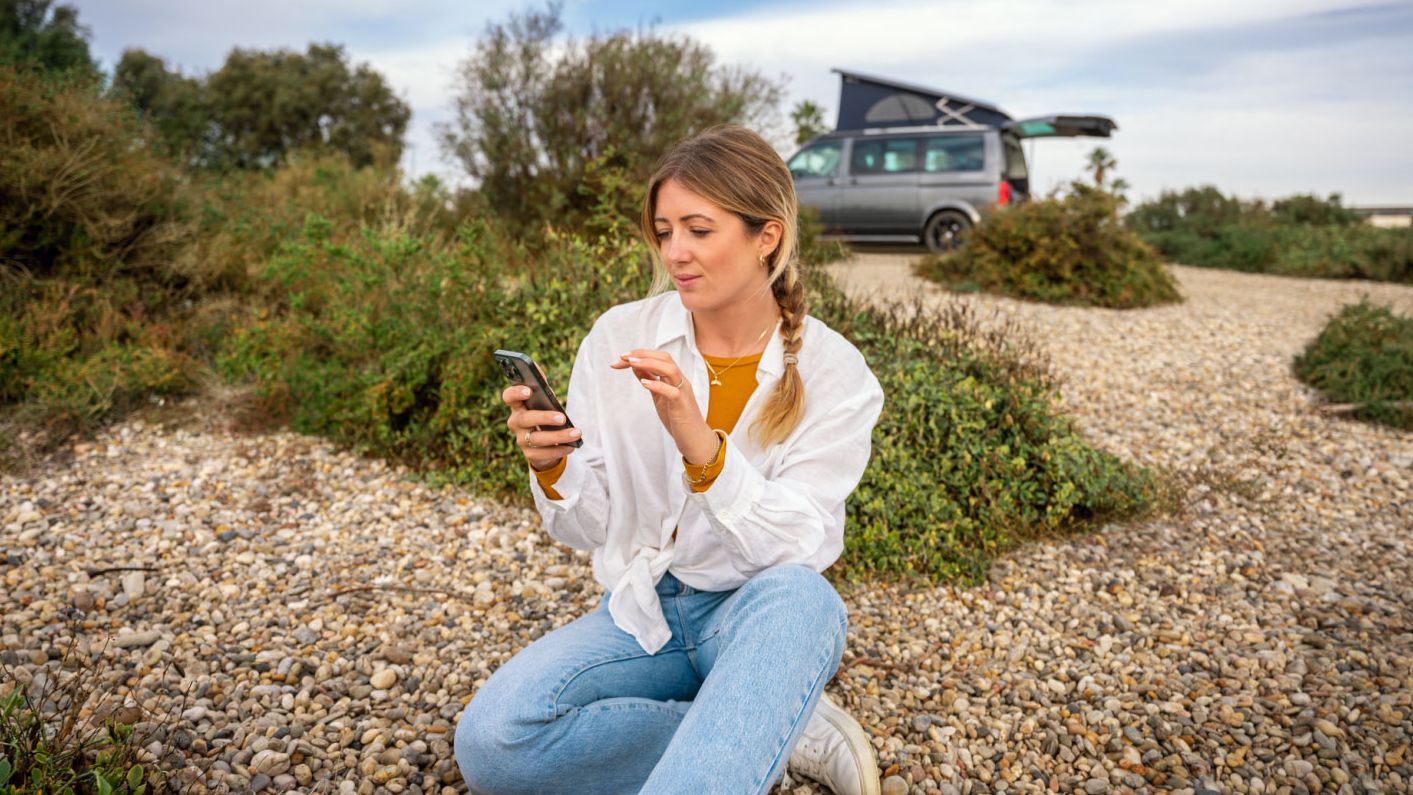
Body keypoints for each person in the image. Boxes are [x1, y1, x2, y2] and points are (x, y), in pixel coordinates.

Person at [454, 124, 886, 795]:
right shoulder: (619, 334)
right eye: (663, 231)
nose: (674, 252)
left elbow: (799, 541)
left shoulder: (837, 373)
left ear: (764, 236)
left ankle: (754, 709)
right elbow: (589, 528)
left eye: (698, 229)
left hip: (760, 614)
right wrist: (552, 467)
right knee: (495, 742)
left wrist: (702, 444)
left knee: (805, 597)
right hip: (643, 608)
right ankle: (769, 725)